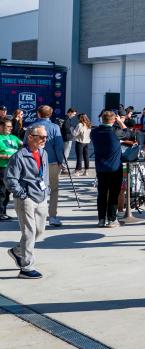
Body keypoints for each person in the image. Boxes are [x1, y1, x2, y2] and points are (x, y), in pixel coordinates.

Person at [4, 124, 50, 279]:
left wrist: (46, 190)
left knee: (40, 230)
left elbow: (44, 175)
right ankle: (26, 267)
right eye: (42, 137)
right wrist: (22, 194)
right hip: (26, 199)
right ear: (30, 137)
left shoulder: (43, 153)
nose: (45, 140)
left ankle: (17, 251)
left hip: (41, 196)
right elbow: (10, 179)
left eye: (46, 137)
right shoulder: (19, 156)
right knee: (29, 232)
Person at [91, 110, 135, 227]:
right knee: (114, 194)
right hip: (115, 167)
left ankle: (101, 219)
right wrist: (120, 122)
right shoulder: (115, 131)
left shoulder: (94, 132)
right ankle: (111, 219)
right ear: (113, 120)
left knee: (102, 194)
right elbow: (129, 133)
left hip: (100, 168)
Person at [31, 106, 64, 227]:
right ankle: (52, 216)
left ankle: (35, 216)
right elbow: (59, 146)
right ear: (50, 115)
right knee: (53, 190)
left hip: (34, 162)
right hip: (52, 162)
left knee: (36, 188)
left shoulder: (32, 126)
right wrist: (60, 161)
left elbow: (25, 144)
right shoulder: (55, 127)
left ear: (39, 114)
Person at [0, 119, 23, 221]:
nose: (11, 128)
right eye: (8, 126)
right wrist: (8, 156)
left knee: (8, 192)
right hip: (2, 167)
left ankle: (3, 211)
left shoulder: (13, 137)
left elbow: (24, 145)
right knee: (2, 191)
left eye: (11, 126)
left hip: (14, 168)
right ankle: (0, 213)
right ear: (1, 127)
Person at [61, 108, 79, 172]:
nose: (74, 115)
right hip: (67, 138)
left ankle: (63, 167)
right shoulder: (67, 119)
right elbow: (66, 129)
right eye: (73, 114)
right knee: (66, 153)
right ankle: (63, 168)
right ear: (70, 112)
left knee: (64, 153)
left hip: (65, 138)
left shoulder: (65, 118)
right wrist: (73, 131)